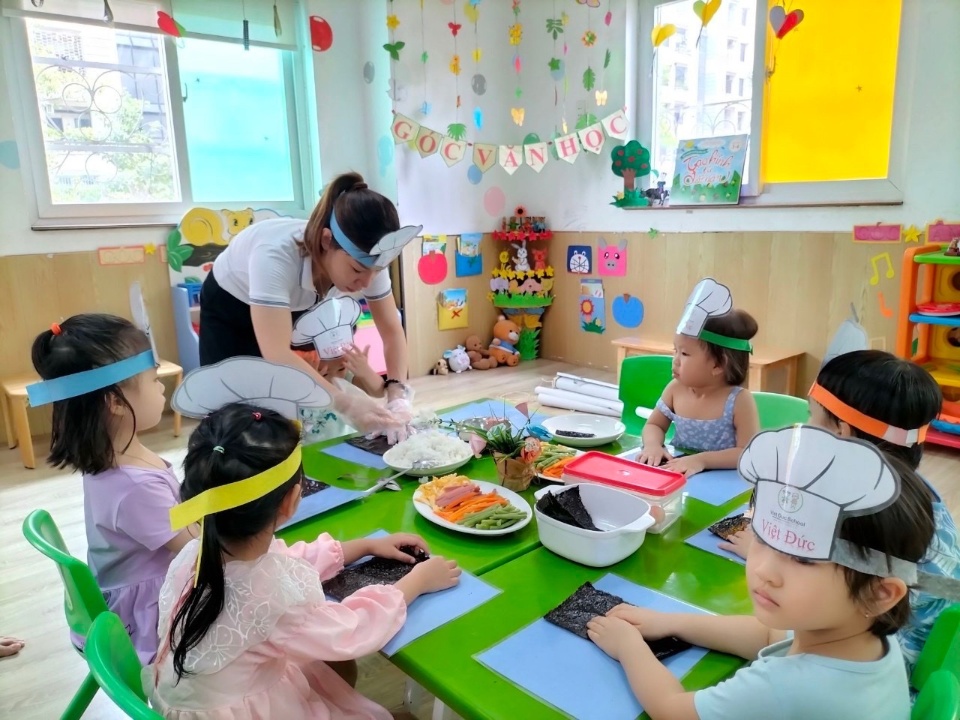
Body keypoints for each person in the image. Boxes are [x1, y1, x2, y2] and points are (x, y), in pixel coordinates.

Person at [588, 426, 937, 720]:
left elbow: (672, 710)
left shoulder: (789, 688)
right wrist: (671, 623)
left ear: (879, 593)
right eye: (764, 538)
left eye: (803, 559)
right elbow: (770, 635)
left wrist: (628, 646)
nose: (764, 570)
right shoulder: (863, 638)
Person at [148, 403, 461, 719]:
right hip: (245, 711)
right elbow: (350, 630)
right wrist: (417, 581)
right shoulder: (272, 597)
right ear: (290, 501)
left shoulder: (195, 552)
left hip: (194, 697)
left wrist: (365, 546)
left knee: (326, 670)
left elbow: (281, 561)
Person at [197, 172, 420, 436]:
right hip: (231, 307)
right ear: (326, 240)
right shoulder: (275, 256)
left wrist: (397, 393)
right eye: (357, 270)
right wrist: (347, 404)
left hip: (289, 304)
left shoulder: (369, 259)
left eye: (377, 271)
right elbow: (277, 353)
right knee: (232, 415)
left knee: (287, 406)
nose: (366, 282)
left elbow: (392, 331)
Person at [29, 314, 196, 662]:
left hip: (124, 595)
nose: (161, 387)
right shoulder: (134, 486)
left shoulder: (114, 457)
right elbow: (196, 551)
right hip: (145, 621)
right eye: (154, 380)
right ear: (115, 402)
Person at [639, 279, 759, 476]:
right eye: (675, 350)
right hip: (680, 476)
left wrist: (701, 460)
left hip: (724, 482)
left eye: (685, 354)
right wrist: (653, 446)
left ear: (718, 365)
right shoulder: (675, 389)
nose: (675, 360)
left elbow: (746, 452)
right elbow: (654, 425)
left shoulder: (739, 400)